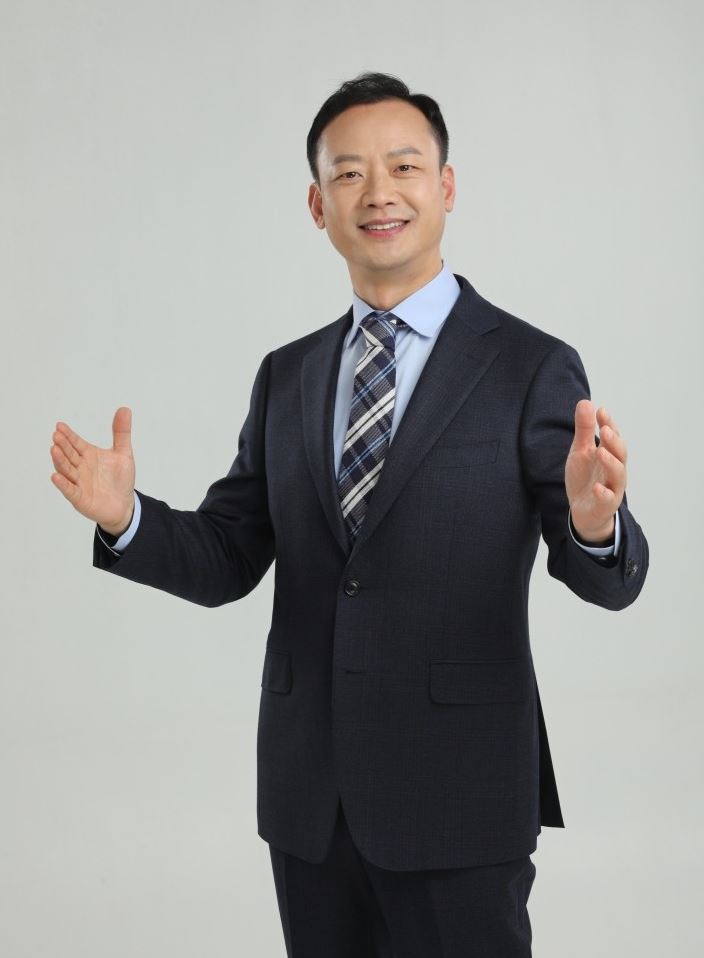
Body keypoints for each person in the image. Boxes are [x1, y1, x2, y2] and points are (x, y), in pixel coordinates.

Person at [49, 72, 649, 957]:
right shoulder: (287, 375)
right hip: (311, 801)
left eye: (404, 167)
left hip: (461, 797)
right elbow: (228, 554)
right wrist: (127, 517)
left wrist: (596, 524)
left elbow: (608, 579)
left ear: (446, 187)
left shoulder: (529, 366)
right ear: (316, 204)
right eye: (348, 173)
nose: (378, 193)